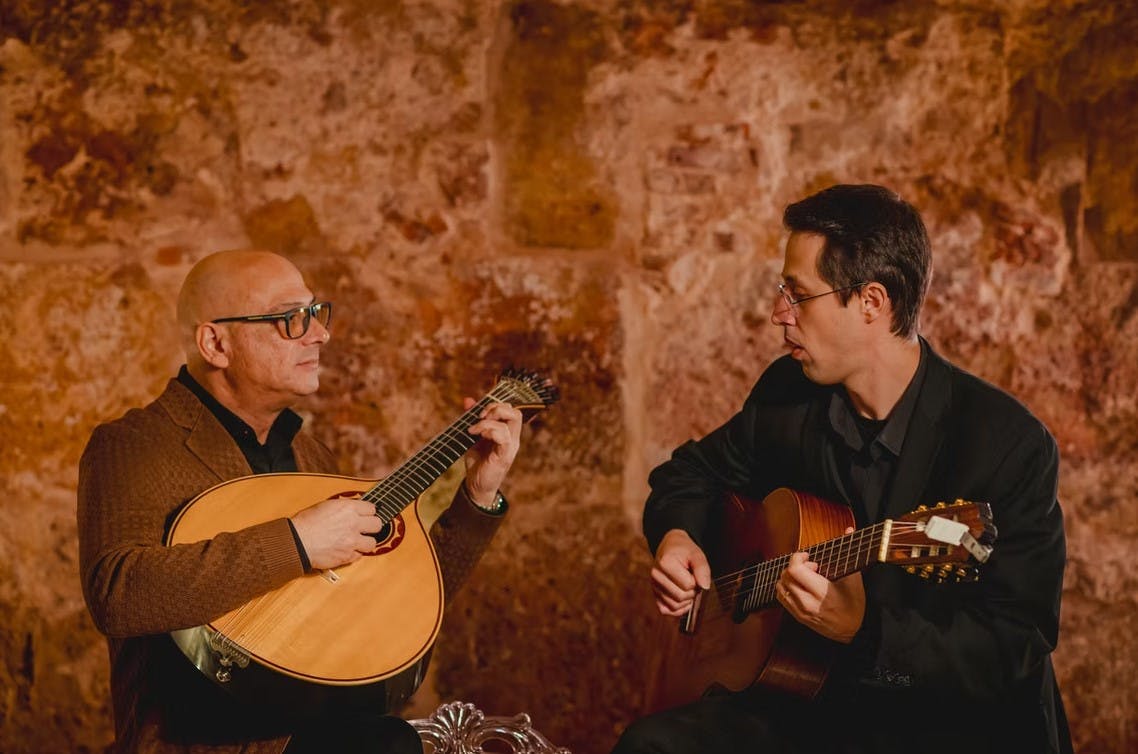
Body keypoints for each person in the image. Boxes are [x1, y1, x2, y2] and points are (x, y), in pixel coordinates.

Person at [613, 184, 1071, 754]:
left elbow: (1015, 644)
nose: (780, 314)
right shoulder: (787, 395)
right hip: (810, 698)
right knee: (650, 746)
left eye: (797, 294)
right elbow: (688, 476)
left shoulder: (1006, 445)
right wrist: (679, 536)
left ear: (872, 303)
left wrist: (864, 632)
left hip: (945, 723)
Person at [78, 249, 524, 754]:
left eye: (315, 312)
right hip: (203, 742)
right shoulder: (134, 443)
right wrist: (298, 541)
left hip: (323, 722)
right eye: (289, 318)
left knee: (390, 739)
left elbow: (396, 593)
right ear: (216, 343)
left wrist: (477, 494)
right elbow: (117, 593)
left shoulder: (309, 454)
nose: (319, 333)